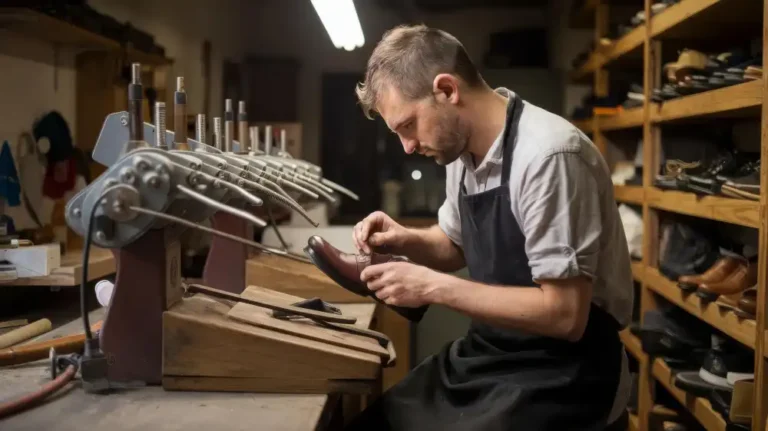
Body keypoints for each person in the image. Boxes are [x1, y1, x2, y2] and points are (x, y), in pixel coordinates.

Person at [348, 24, 634, 431]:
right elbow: (453, 245)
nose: (407, 147)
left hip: (564, 372)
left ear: (446, 90)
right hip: (494, 353)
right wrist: (404, 239)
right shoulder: (461, 154)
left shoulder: (548, 156)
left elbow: (566, 316)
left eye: (408, 126)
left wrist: (429, 286)